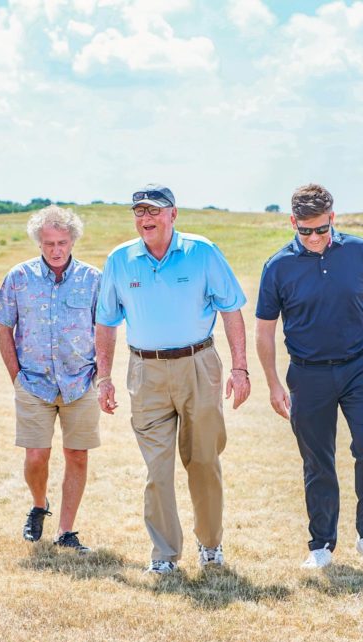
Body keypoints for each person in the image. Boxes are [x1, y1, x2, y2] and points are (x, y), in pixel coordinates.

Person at [255, 183, 363, 572]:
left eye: (321, 229)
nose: (313, 238)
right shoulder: (277, 267)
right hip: (308, 375)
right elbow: (264, 331)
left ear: (333, 217)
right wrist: (273, 383)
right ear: (292, 223)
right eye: (304, 231)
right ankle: (322, 544)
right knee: (317, 461)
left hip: (360, 367)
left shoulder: (360, 253)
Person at [95, 184, 250, 574]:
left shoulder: (203, 252)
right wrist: (104, 378)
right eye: (139, 212)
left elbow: (232, 310)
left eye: (154, 211)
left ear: (173, 214)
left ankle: (211, 544)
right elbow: (106, 322)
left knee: (203, 461)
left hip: (198, 365)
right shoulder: (119, 259)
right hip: (145, 371)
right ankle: (164, 554)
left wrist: (240, 368)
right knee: (157, 469)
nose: (146, 219)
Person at [0, 205, 101, 554]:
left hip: (80, 381)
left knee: (77, 455)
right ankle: (39, 504)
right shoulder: (18, 277)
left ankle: (66, 531)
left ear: (72, 241)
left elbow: (106, 329)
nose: (56, 249)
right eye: (49, 242)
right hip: (33, 383)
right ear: (39, 241)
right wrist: (16, 377)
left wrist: (103, 372)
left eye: (63, 242)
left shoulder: (93, 279)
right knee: (37, 456)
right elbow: (4, 328)